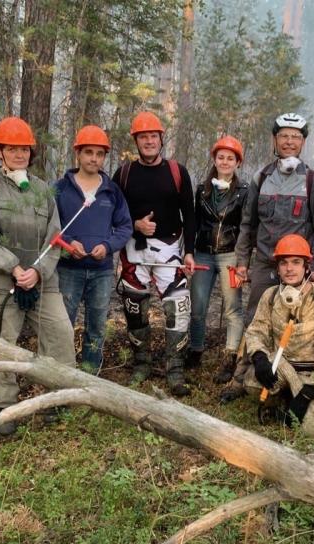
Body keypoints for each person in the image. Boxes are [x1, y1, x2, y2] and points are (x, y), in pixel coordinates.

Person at [0, 116, 76, 435]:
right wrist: (12, 266)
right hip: (0, 282)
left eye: (24, 149)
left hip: (43, 282)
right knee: (2, 346)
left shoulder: (41, 190)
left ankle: (59, 399)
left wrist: (38, 272)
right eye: (12, 148)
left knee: (60, 336)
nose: (20, 154)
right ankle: (5, 406)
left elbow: (56, 239)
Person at [112, 111, 196, 396]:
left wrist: (190, 252)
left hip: (171, 250)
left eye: (153, 136)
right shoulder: (123, 174)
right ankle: (141, 364)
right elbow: (112, 213)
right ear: (135, 141)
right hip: (134, 252)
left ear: (161, 139)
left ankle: (175, 369)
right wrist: (135, 224)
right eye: (143, 137)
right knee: (134, 308)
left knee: (178, 308)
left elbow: (190, 214)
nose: (148, 141)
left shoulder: (177, 171)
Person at [234, 234, 314, 434]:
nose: (289, 268)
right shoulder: (271, 295)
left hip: (312, 375)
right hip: (282, 367)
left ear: (306, 266)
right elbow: (256, 331)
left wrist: (309, 392)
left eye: (296, 262)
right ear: (277, 268)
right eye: (284, 263)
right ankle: (285, 396)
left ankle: (297, 399)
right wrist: (259, 358)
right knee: (252, 382)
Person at [234, 112, 314, 322]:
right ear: (275, 139)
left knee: (295, 319)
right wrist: (242, 261)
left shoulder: (312, 181)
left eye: (295, 136)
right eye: (284, 136)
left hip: (297, 266)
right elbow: (247, 224)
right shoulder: (261, 178)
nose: (289, 142)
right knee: (255, 316)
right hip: (265, 262)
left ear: (303, 142)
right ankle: (253, 355)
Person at [54, 125, 132, 374]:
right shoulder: (61, 189)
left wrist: (107, 245)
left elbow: (124, 226)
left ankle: (90, 372)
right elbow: (49, 226)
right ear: (78, 153)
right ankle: (62, 371)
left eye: (99, 154)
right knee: (63, 323)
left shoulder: (111, 191)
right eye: (88, 152)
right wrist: (68, 242)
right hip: (68, 270)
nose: (94, 158)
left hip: (101, 271)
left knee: (97, 324)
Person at [185, 136, 249, 383]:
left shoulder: (244, 191)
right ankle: (196, 349)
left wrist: (243, 261)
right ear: (214, 159)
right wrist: (188, 250)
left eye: (230, 158)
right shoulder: (202, 189)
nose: (225, 162)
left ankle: (230, 356)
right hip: (203, 253)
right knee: (198, 305)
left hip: (230, 255)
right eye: (221, 157)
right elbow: (193, 223)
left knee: (233, 308)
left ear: (237, 162)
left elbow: (247, 227)